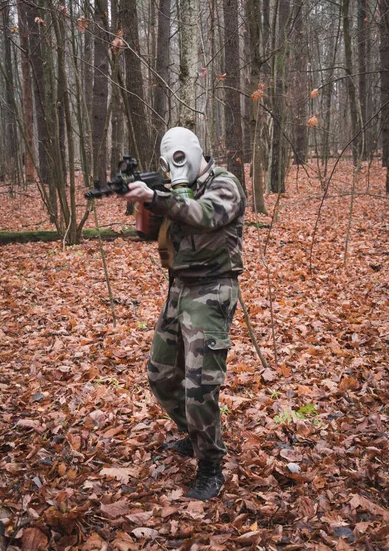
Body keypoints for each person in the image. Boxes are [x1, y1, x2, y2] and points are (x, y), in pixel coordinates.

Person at [124, 127, 246, 500]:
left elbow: (205, 214)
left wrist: (161, 198)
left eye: (180, 157)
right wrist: (144, 204)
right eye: (170, 160)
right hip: (179, 289)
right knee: (161, 376)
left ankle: (210, 464)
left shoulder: (224, 185)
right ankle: (193, 435)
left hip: (212, 290)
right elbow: (152, 234)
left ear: (193, 154)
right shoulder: (171, 190)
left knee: (200, 387)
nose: (176, 165)